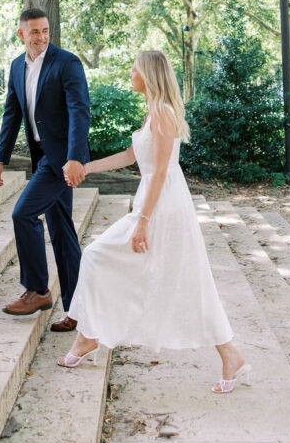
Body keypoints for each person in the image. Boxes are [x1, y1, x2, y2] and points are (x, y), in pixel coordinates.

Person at [58, 50, 250, 394]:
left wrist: (143, 221)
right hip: (157, 200)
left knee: (102, 255)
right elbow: (132, 156)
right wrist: (86, 167)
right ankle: (229, 354)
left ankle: (88, 336)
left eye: (134, 68)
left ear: (147, 74)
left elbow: (160, 172)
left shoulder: (162, 113)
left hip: (163, 206)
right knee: (179, 278)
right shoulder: (153, 112)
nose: (130, 73)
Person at [0, 8, 90, 330]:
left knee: (23, 214)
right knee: (62, 232)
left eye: (45, 30)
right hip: (41, 156)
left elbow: (79, 111)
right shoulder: (17, 66)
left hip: (61, 159)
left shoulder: (67, 62)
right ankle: (77, 310)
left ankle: (37, 290)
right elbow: (12, 114)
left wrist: (75, 157)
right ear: (22, 34)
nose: (42, 37)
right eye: (34, 32)